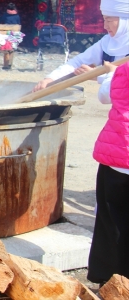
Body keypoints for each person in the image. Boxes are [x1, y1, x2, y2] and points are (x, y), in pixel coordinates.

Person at [34, 0, 129, 92]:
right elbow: (77, 63)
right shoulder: (108, 42)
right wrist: (50, 79)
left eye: (109, 20)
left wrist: (96, 76)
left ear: (125, 21)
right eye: (104, 20)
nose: (105, 26)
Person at [89, 59, 129, 284]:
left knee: (111, 222)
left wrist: (109, 74)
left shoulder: (125, 69)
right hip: (118, 156)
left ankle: (110, 281)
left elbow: (105, 96)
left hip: (118, 158)